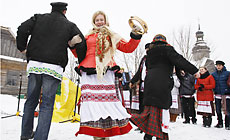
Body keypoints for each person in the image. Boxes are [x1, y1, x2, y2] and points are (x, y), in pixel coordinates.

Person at [16, 2, 86, 140]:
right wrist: (80, 60)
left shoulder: (38, 18)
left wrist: (22, 48)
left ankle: (25, 134)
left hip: (35, 64)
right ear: (64, 11)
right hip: (53, 67)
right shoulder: (70, 26)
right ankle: (40, 137)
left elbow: (22, 29)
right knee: (47, 104)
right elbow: (81, 42)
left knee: (31, 101)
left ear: (52, 9)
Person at [73, 11, 142, 140]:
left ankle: (107, 133)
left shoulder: (112, 36)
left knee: (106, 104)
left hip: (107, 72)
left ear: (106, 21)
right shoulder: (87, 37)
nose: (100, 22)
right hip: (89, 72)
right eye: (97, 20)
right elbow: (78, 54)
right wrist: (73, 45)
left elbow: (128, 48)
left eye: (102, 20)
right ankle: (97, 135)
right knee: (92, 104)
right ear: (94, 22)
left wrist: (135, 35)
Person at [131, 34, 199, 140]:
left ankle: (148, 135)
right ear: (165, 42)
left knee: (150, 109)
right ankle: (160, 135)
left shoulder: (149, 54)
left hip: (149, 83)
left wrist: (133, 81)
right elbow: (179, 60)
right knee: (161, 111)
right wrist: (194, 71)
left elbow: (145, 69)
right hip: (162, 84)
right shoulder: (168, 50)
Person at [129, 44, 149, 114]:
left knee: (148, 102)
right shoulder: (144, 59)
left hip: (150, 83)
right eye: (146, 49)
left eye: (148, 49)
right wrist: (132, 81)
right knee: (142, 101)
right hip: (142, 83)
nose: (147, 50)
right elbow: (139, 72)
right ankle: (141, 115)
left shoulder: (153, 58)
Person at [212, 60, 230, 129]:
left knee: (227, 110)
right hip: (217, 93)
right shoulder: (213, 74)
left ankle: (227, 124)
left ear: (223, 66)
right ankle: (220, 123)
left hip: (226, 94)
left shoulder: (227, 73)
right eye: (217, 65)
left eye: (220, 65)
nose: (218, 67)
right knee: (218, 109)